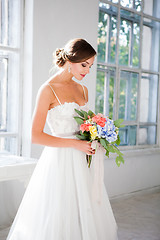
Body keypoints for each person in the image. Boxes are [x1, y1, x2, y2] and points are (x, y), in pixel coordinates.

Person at [6, 38, 118, 240]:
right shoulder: (47, 89)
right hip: (59, 161)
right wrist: (75, 144)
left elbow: (84, 125)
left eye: (90, 66)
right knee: (58, 212)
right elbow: (35, 135)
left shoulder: (83, 90)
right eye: (84, 65)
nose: (87, 71)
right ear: (70, 60)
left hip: (84, 160)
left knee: (85, 210)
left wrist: (97, 134)